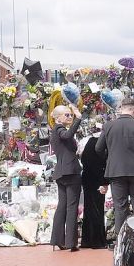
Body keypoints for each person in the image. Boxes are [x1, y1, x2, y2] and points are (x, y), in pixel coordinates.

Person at [96, 97, 134, 237]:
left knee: (120, 207)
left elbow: (98, 148)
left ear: (122, 109)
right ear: (133, 110)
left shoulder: (108, 126)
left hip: (116, 171)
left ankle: (120, 239)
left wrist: (111, 158)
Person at [50, 104, 84, 251]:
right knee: (71, 207)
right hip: (70, 172)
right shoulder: (59, 129)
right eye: (67, 115)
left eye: (70, 115)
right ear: (58, 118)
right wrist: (78, 118)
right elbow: (68, 135)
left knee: (63, 206)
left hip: (62, 172)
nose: (69, 117)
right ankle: (71, 242)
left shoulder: (56, 130)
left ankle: (58, 239)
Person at [80, 124, 109, 249]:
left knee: (88, 209)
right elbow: (104, 164)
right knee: (98, 209)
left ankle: (87, 240)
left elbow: (83, 160)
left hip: (87, 179)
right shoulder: (102, 145)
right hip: (98, 180)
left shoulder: (89, 142)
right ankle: (97, 240)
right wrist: (105, 182)